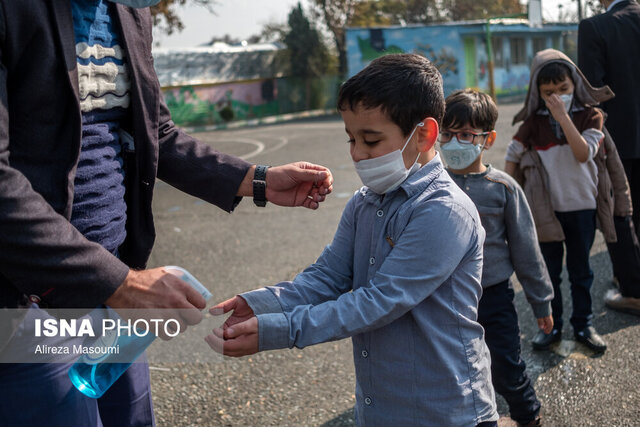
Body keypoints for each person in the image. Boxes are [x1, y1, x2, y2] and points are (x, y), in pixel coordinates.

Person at [0, 0, 333, 425]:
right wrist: (121, 283)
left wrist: (257, 179)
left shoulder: (130, 12)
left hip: (116, 289)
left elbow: (157, 132)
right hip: (26, 302)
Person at [205, 53, 498, 426]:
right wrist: (262, 304)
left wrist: (281, 329)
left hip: (445, 410)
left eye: (371, 140)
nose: (358, 154)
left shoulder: (444, 211)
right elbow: (327, 277)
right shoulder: (365, 203)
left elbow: (380, 301)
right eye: (351, 139)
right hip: (381, 410)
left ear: (424, 134)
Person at [439, 89, 553, 427]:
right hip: (446, 298)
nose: (454, 142)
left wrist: (542, 302)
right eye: (447, 133)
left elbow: (526, 251)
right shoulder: (433, 184)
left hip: (493, 297)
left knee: (505, 365)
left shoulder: (503, 188)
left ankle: (527, 415)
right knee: (453, 367)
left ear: (487, 139)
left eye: (465, 134)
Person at [504, 49, 621, 354]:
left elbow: (583, 154)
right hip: (546, 213)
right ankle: (551, 327)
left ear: (575, 86)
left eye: (563, 90)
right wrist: (508, 192)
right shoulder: (533, 122)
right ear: (538, 94)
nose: (556, 97)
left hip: (582, 208)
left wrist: (563, 117)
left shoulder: (590, 115)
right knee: (549, 273)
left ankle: (583, 324)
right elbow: (512, 154)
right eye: (548, 93)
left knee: (581, 272)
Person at [578, 0, 640, 315]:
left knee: (618, 212)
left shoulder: (595, 27)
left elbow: (591, 92)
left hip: (617, 140)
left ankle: (633, 290)